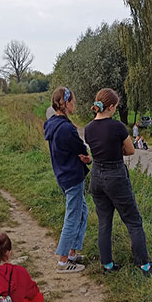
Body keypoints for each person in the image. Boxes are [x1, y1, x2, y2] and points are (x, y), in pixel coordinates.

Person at [84, 88, 152, 276]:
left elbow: (95, 151)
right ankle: (144, 265)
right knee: (133, 221)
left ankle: (107, 265)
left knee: (104, 222)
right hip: (116, 176)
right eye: (116, 107)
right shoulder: (117, 127)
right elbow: (131, 151)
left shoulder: (88, 129)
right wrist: (115, 150)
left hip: (96, 176)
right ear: (111, 107)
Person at [44, 86, 91, 273]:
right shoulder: (66, 128)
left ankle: (72, 253)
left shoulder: (52, 124)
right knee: (72, 217)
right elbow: (81, 148)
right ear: (65, 104)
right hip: (72, 177)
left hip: (62, 174)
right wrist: (87, 156)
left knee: (82, 212)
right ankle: (63, 261)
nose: (75, 105)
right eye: (73, 102)